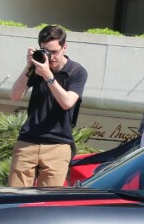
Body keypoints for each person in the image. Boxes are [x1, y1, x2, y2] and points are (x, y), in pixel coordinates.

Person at [9, 24, 87, 187]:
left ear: (64, 47)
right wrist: (29, 66)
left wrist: (48, 76)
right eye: (45, 51)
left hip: (58, 145)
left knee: (47, 202)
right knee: (14, 198)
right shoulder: (37, 68)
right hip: (28, 141)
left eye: (54, 52)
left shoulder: (76, 71)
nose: (50, 57)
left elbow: (67, 103)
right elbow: (15, 96)